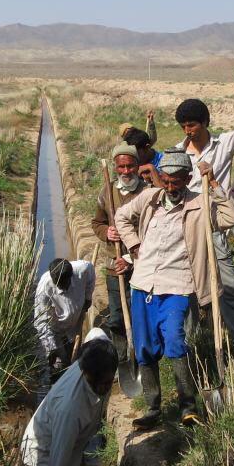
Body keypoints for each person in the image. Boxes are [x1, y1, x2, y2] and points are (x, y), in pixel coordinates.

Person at [114, 152, 234, 428]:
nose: (170, 187)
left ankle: (187, 406)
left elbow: (232, 217)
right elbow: (121, 216)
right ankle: (152, 408)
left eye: (177, 182)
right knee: (145, 347)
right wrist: (134, 244)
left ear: (188, 179)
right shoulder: (149, 198)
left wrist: (213, 183)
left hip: (178, 285)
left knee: (175, 340)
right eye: (166, 181)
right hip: (144, 283)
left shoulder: (200, 204)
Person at [171, 76, 234, 354]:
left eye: (192, 125)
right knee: (184, 289)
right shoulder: (178, 153)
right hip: (185, 229)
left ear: (205, 122)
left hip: (214, 225)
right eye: (184, 126)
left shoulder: (224, 144)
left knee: (228, 288)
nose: (188, 131)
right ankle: (189, 349)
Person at [20, 333, 117, 466]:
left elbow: (97, 335)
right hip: (42, 454)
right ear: (86, 374)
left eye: (110, 381)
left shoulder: (97, 360)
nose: (107, 387)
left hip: (70, 447)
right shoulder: (71, 410)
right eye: (103, 383)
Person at [90, 143, 148, 344]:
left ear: (137, 166)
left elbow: (153, 232)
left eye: (130, 166)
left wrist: (130, 259)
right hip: (114, 266)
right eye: (121, 167)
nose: (126, 171)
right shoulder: (106, 192)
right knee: (117, 317)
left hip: (142, 264)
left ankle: (141, 352)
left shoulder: (147, 192)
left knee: (140, 314)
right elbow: (97, 223)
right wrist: (107, 231)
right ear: (115, 167)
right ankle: (121, 354)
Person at [33, 258, 97, 380]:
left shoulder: (83, 269)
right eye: (58, 285)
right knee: (58, 365)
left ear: (70, 277)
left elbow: (91, 275)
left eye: (64, 284)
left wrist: (88, 298)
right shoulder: (44, 287)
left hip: (75, 323)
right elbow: (41, 321)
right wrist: (51, 348)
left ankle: (73, 375)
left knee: (73, 355)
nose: (62, 288)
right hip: (55, 326)